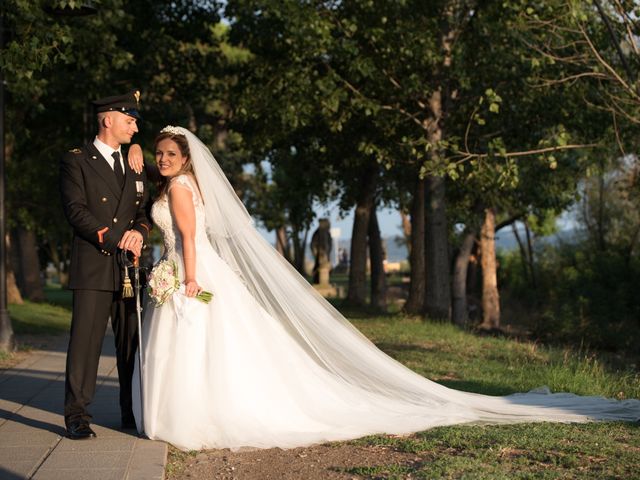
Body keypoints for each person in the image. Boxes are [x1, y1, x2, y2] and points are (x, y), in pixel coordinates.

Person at [131, 126, 639, 451]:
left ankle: (193, 415)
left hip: (193, 273)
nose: (164, 158)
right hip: (189, 270)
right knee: (222, 348)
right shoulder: (179, 186)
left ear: (187, 159)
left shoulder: (178, 189)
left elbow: (190, 239)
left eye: (171, 153)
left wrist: (188, 278)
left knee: (204, 344)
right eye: (159, 153)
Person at [59, 90, 151, 440]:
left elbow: (143, 212)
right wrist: (118, 239)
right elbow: (76, 211)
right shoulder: (76, 160)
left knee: (131, 344)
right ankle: (77, 416)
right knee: (86, 343)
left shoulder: (133, 162)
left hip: (128, 267)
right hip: (94, 264)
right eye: (130, 121)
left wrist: (140, 234)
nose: (135, 129)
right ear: (108, 119)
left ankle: (132, 412)